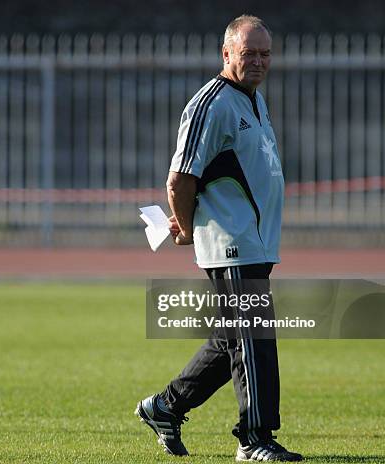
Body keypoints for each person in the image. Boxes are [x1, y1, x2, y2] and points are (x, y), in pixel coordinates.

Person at [135, 15, 303, 462]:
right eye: (249, 53)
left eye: (265, 53)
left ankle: (165, 407)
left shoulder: (254, 100)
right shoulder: (212, 103)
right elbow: (179, 178)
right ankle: (255, 439)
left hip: (256, 240)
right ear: (226, 54)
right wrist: (187, 227)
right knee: (253, 336)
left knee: (232, 338)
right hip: (232, 241)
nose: (259, 61)